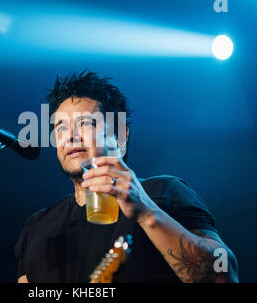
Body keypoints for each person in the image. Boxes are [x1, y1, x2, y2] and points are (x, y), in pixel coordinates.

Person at [15, 70, 238, 283]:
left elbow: (223, 274)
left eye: (85, 123)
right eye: (60, 128)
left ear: (120, 136)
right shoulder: (37, 226)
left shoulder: (164, 192)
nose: (70, 136)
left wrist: (147, 213)